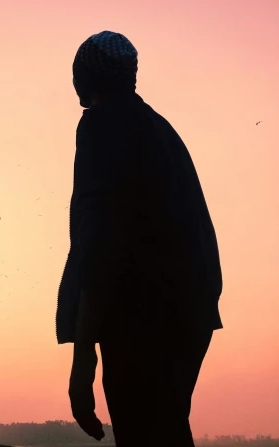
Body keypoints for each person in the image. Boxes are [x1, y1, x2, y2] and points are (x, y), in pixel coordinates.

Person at [55, 31, 223, 447]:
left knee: (146, 433)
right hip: (190, 313)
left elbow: (100, 243)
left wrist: (83, 360)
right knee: (166, 429)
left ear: (85, 79)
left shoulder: (102, 126)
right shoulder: (158, 129)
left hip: (143, 316)